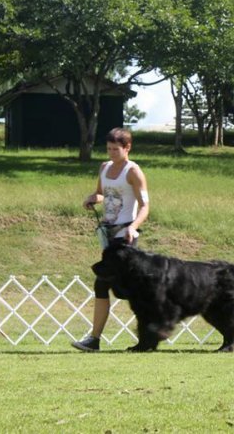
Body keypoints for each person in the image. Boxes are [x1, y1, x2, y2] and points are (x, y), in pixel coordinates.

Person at [71, 127, 149, 352]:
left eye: (116, 149)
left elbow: (145, 206)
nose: (111, 153)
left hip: (125, 236)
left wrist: (133, 227)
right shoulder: (104, 167)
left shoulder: (133, 172)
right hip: (107, 234)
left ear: (127, 148)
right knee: (106, 284)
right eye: (108, 149)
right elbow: (102, 193)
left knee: (121, 287)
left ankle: (147, 332)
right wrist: (92, 198)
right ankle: (94, 339)